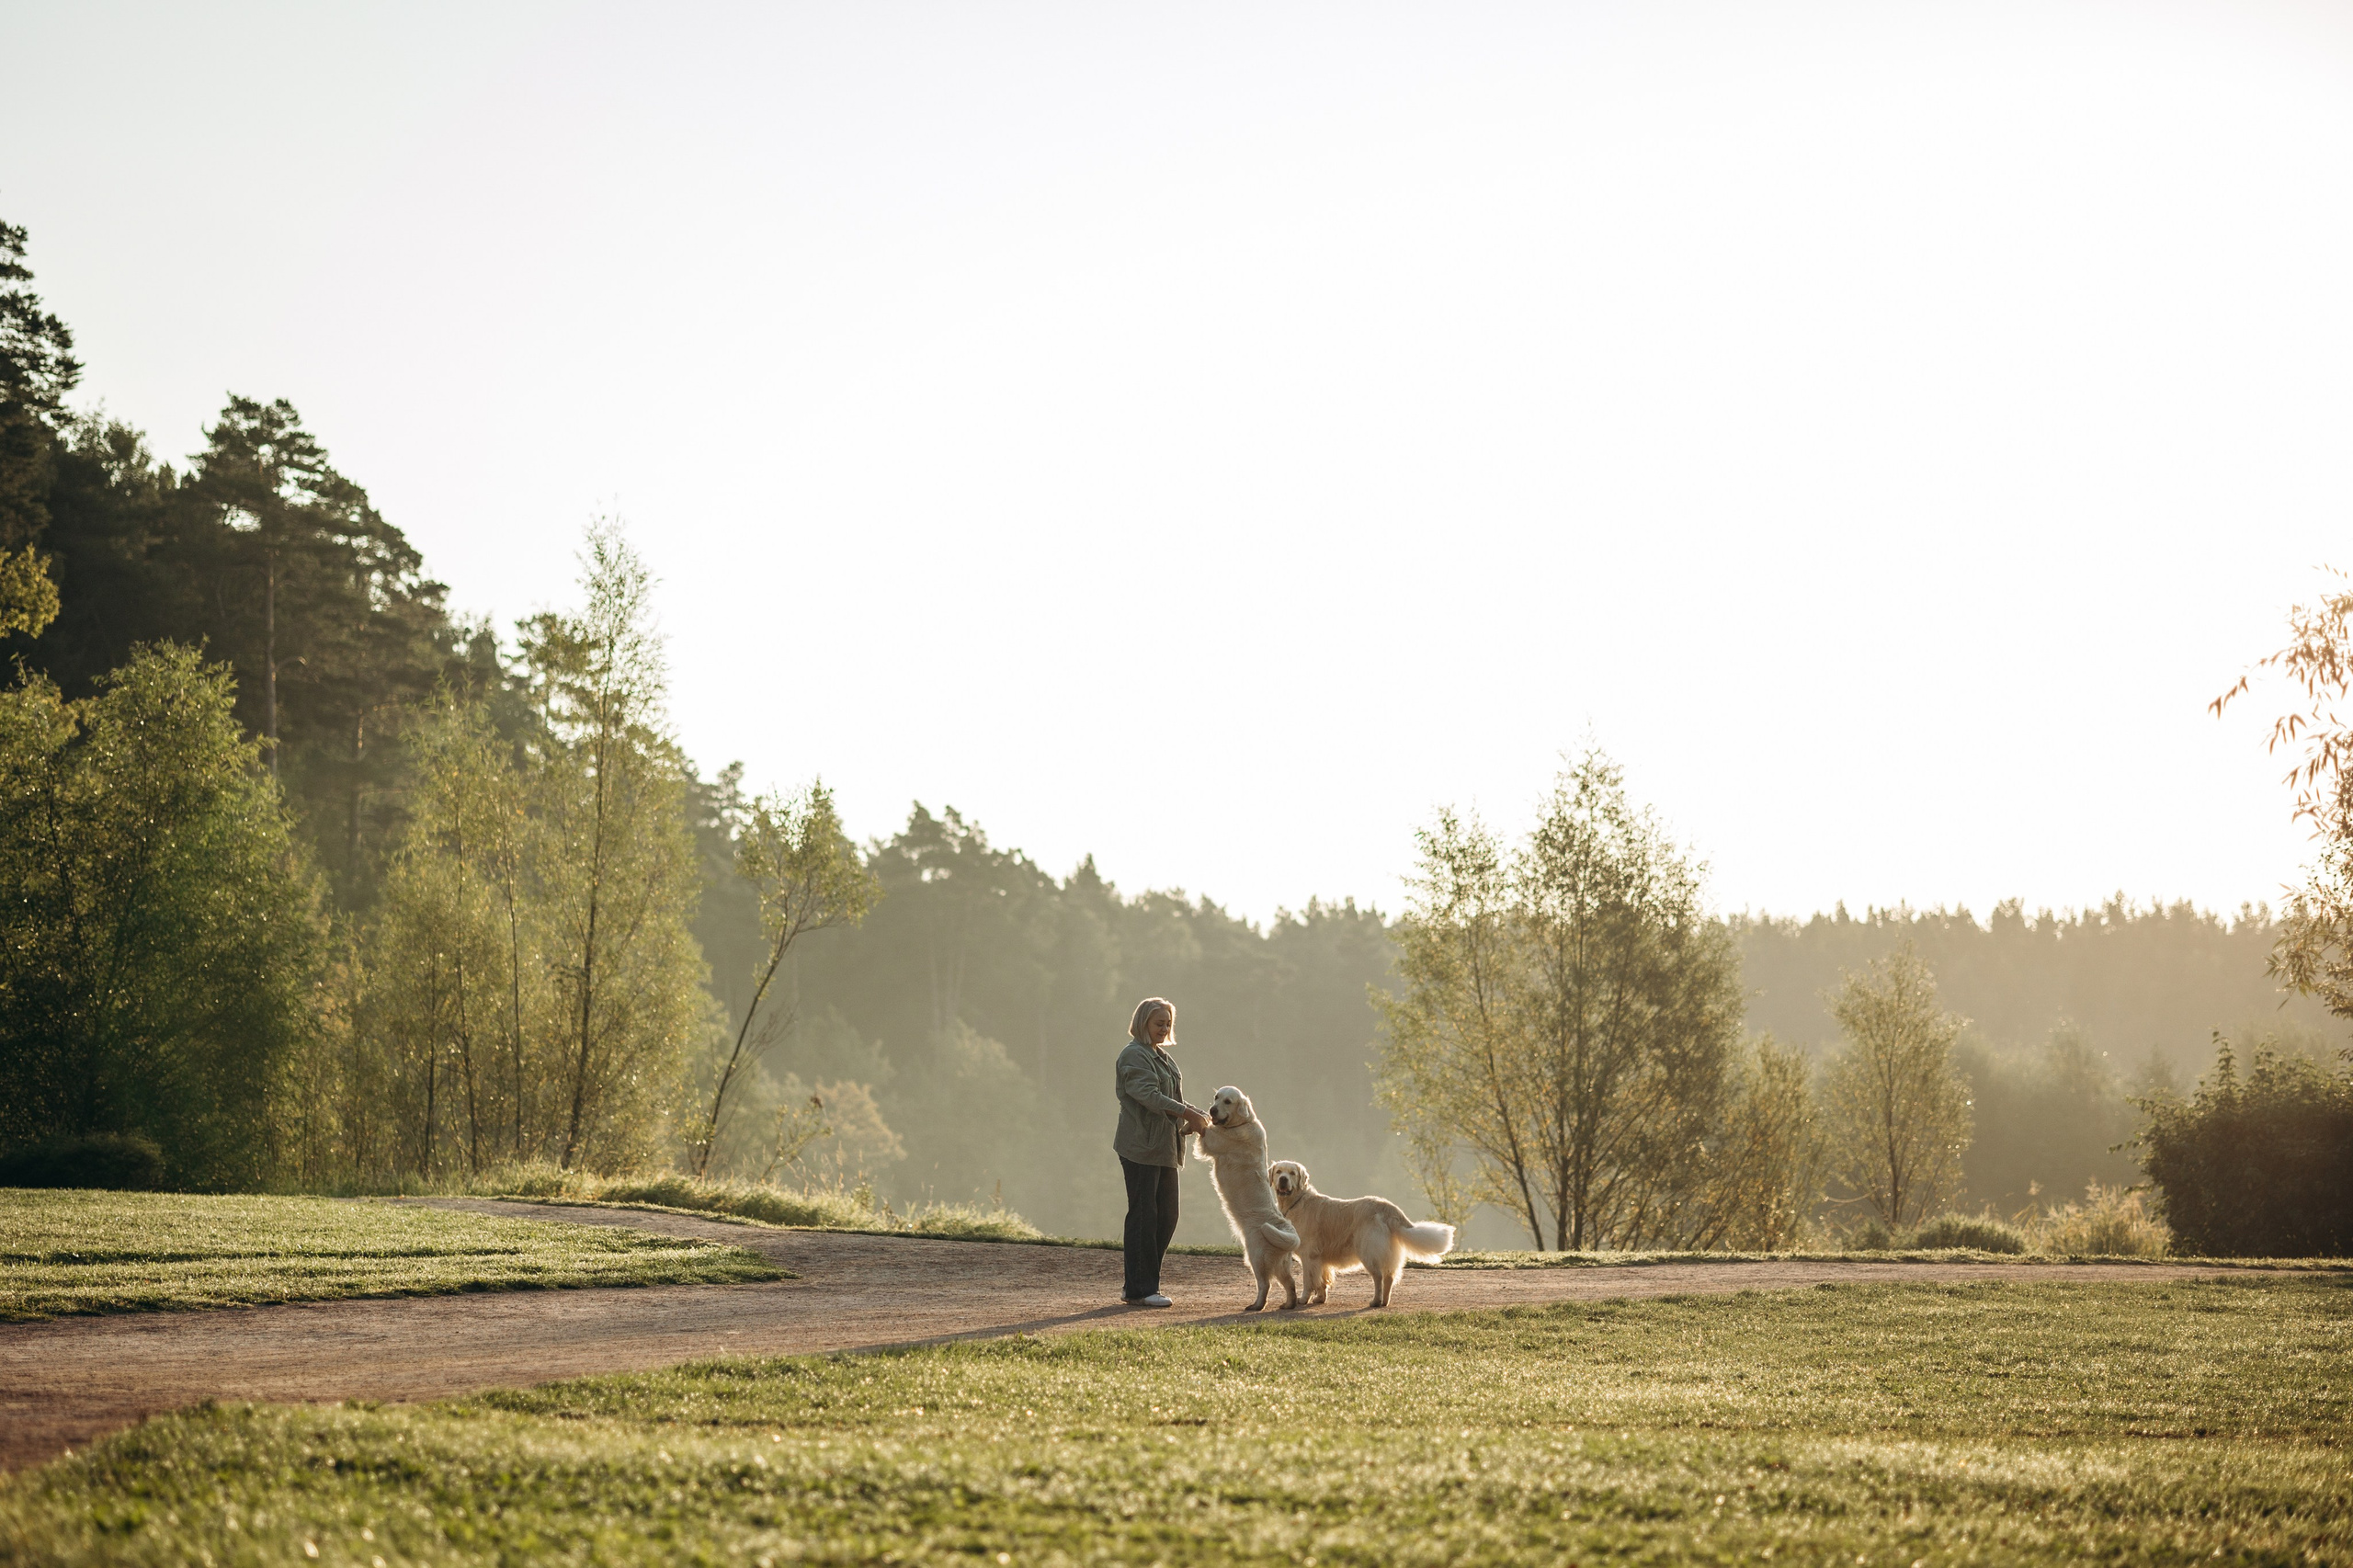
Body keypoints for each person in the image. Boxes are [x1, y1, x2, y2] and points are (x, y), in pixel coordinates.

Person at [1113, 995, 1208, 1307]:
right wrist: (1185, 1113)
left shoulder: (1163, 1057)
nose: (1164, 1028)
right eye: (1159, 1023)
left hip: (1165, 1148)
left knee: (1167, 1215)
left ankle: (1140, 1285)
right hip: (1140, 1147)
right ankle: (1142, 1288)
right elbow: (1148, 1096)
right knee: (1144, 1216)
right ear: (1143, 1023)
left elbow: (1171, 1098)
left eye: (1168, 1023)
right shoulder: (1133, 1056)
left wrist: (1194, 1114)